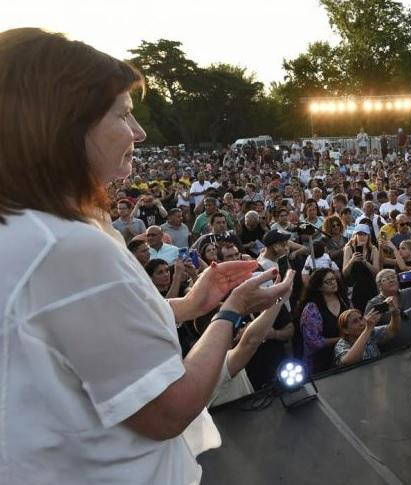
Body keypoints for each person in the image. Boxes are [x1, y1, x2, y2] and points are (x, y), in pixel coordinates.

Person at [0, 28, 292, 483]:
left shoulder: (29, 229)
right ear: (65, 123)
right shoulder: (68, 247)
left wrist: (191, 305)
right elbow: (166, 409)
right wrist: (230, 314)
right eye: (123, 115)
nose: (138, 131)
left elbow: (81, 339)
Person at [365, 268, 411, 350]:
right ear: (379, 286)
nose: (391, 280)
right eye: (386, 279)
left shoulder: (409, 292)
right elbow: (368, 329)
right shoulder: (374, 304)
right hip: (392, 353)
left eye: (393, 277)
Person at [299, 268, 349, 374]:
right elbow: (313, 341)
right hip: (322, 362)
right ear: (319, 286)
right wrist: (342, 339)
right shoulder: (312, 308)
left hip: (347, 353)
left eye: (334, 279)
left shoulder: (344, 300)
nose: (333, 283)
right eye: (328, 281)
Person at [334, 303, 400, 366]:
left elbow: (392, 330)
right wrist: (368, 329)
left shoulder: (370, 332)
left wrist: (394, 314)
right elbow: (348, 361)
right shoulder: (342, 345)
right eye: (355, 321)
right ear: (345, 330)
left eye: (361, 318)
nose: (361, 323)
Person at [342, 225, 381, 310]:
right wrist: (352, 261)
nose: (362, 237)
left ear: (368, 236)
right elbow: (344, 273)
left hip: (369, 286)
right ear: (355, 235)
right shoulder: (349, 249)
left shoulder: (373, 249)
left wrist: (365, 261)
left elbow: (376, 272)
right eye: (359, 234)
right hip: (354, 287)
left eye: (364, 234)